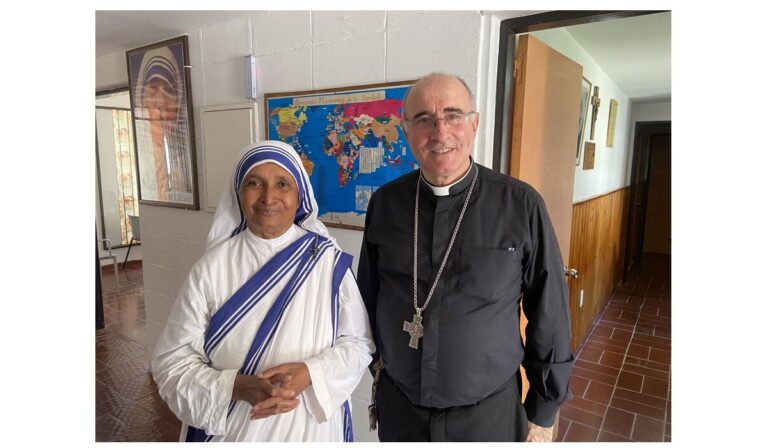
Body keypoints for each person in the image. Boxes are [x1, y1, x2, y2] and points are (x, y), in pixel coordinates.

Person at [357, 73, 573, 442]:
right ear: (406, 131)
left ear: (474, 124)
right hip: (400, 406)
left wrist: (543, 410)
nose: (440, 132)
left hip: (487, 413)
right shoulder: (386, 203)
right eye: (424, 119)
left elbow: (549, 312)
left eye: (454, 115)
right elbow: (368, 296)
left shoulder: (521, 205)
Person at [152, 140, 375, 442]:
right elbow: (171, 363)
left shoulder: (327, 261)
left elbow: (359, 344)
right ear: (239, 194)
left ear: (299, 197)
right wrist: (237, 387)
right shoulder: (211, 268)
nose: (268, 197)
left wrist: (310, 373)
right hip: (234, 430)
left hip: (310, 430)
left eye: (282, 184)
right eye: (254, 183)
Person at [133, 45, 193, 203]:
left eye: (168, 88)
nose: (159, 101)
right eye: (153, 87)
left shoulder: (187, 149)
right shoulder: (141, 152)